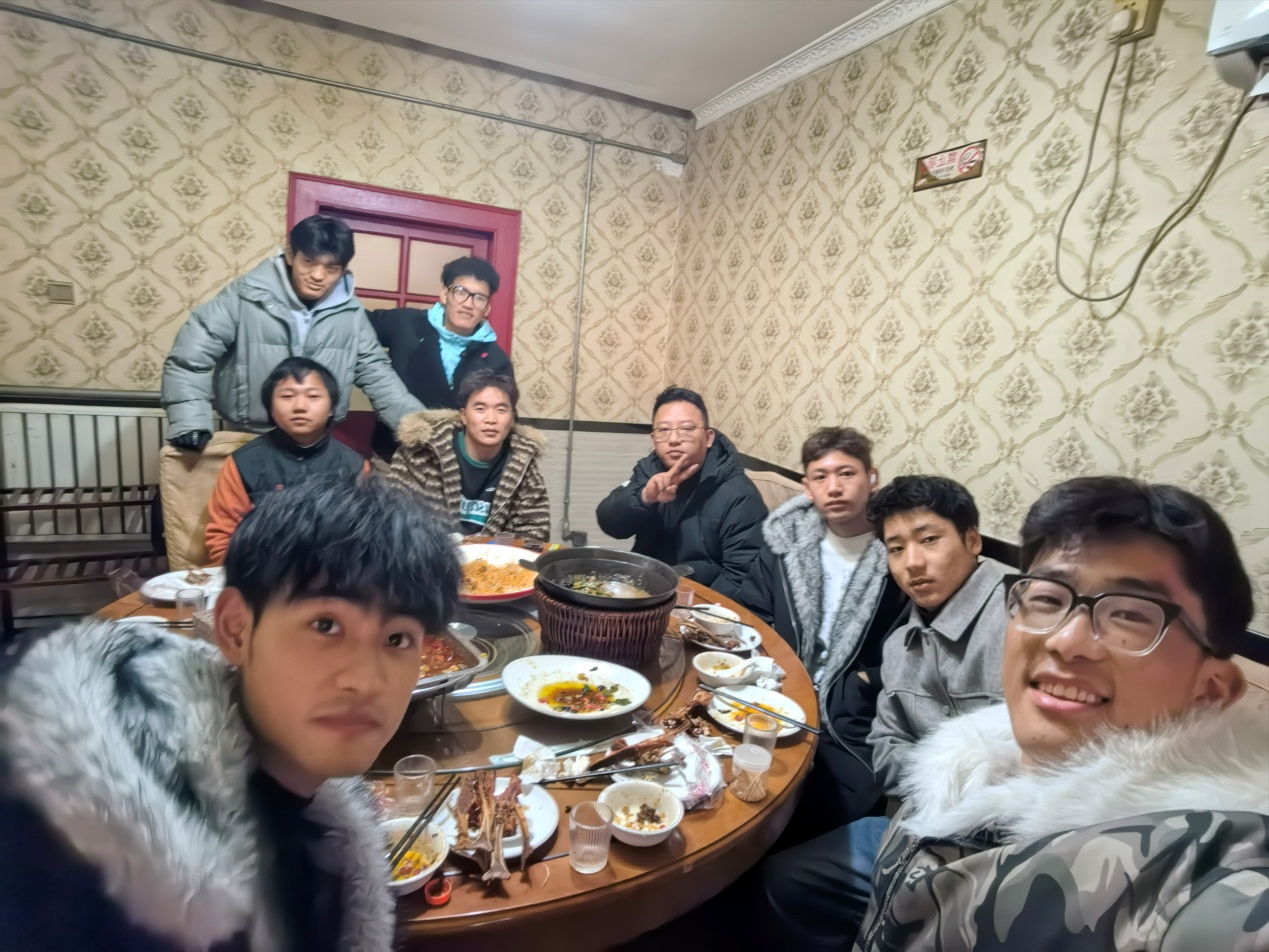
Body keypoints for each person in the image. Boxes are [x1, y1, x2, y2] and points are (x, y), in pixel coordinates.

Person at [0, 475, 461, 951]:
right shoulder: (80, 842)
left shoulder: (330, 834)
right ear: (235, 628)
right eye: (326, 625)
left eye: (397, 639)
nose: (365, 681)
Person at [855, 477, 1267, 951]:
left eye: (1131, 613)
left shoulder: (1200, 870)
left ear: (1211, 689)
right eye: (1049, 599)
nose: (1066, 641)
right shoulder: (962, 761)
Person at [760, 474, 1007, 950]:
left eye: (929, 540)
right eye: (895, 549)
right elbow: (885, 742)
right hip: (919, 826)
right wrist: (937, 788)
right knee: (784, 880)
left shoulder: (1024, 620)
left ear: (972, 540)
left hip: (1006, 850)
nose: (912, 563)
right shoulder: (902, 642)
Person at [735, 427, 908, 829]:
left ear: (872, 478)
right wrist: (769, 674)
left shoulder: (901, 555)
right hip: (777, 696)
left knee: (803, 822)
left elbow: (915, 649)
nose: (834, 487)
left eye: (846, 473)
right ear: (807, 487)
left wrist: (863, 682)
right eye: (821, 476)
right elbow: (751, 613)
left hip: (851, 723)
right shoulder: (785, 546)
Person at [162, 214, 421, 450]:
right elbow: (190, 357)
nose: (317, 275)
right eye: (308, 261)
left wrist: (421, 430)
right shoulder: (243, 297)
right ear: (290, 255)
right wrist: (189, 420)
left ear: (343, 270)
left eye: (331, 268)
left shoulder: (351, 313)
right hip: (245, 436)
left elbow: (378, 375)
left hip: (316, 440)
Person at [596, 387, 765, 598]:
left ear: (708, 437)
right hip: (643, 592)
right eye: (664, 430)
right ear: (653, 439)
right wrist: (645, 498)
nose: (674, 439)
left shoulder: (739, 494)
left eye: (686, 428)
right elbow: (610, 523)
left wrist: (691, 608)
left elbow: (742, 577)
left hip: (697, 604)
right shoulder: (649, 471)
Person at [204, 356, 368, 564]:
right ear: (271, 408)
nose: (300, 406)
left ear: (331, 408)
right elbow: (222, 540)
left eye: (313, 396)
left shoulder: (355, 466)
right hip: (261, 574)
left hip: (334, 574)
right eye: (287, 396)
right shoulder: (243, 464)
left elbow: (365, 537)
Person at [369, 256, 513, 459]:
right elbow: (355, 324)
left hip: (455, 464)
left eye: (479, 298)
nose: (468, 304)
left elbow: (503, 417)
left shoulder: (496, 359)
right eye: (460, 292)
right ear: (445, 294)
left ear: (487, 308)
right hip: (393, 457)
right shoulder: (405, 323)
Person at [387, 370, 550, 542]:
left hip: (496, 557)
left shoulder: (522, 460)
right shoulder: (422, 452)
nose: (491, 419)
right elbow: (396, 519)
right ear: (463, 416)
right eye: (480, 409)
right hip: (431, 554)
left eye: (501, 410)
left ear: (512, 418)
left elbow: (535, 529)